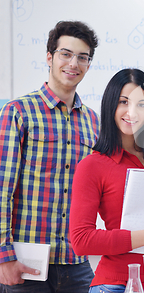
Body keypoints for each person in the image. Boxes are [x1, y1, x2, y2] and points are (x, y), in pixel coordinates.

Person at [69, 68, 144, 292]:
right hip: (116, 284)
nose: (132, 112)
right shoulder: (92, 166)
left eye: (141, 104)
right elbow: (81, 240)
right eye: (123, 102)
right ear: (110, 106)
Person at [0, 21, 99, 292]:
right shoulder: (18, 111)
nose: (73, 63)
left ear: (88, 64)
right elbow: (1, 189)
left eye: (82, 57)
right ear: (49, 57)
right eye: (65, 54)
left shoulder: (93, 122)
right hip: (25, 262)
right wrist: (3, 257)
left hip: (76, 262)